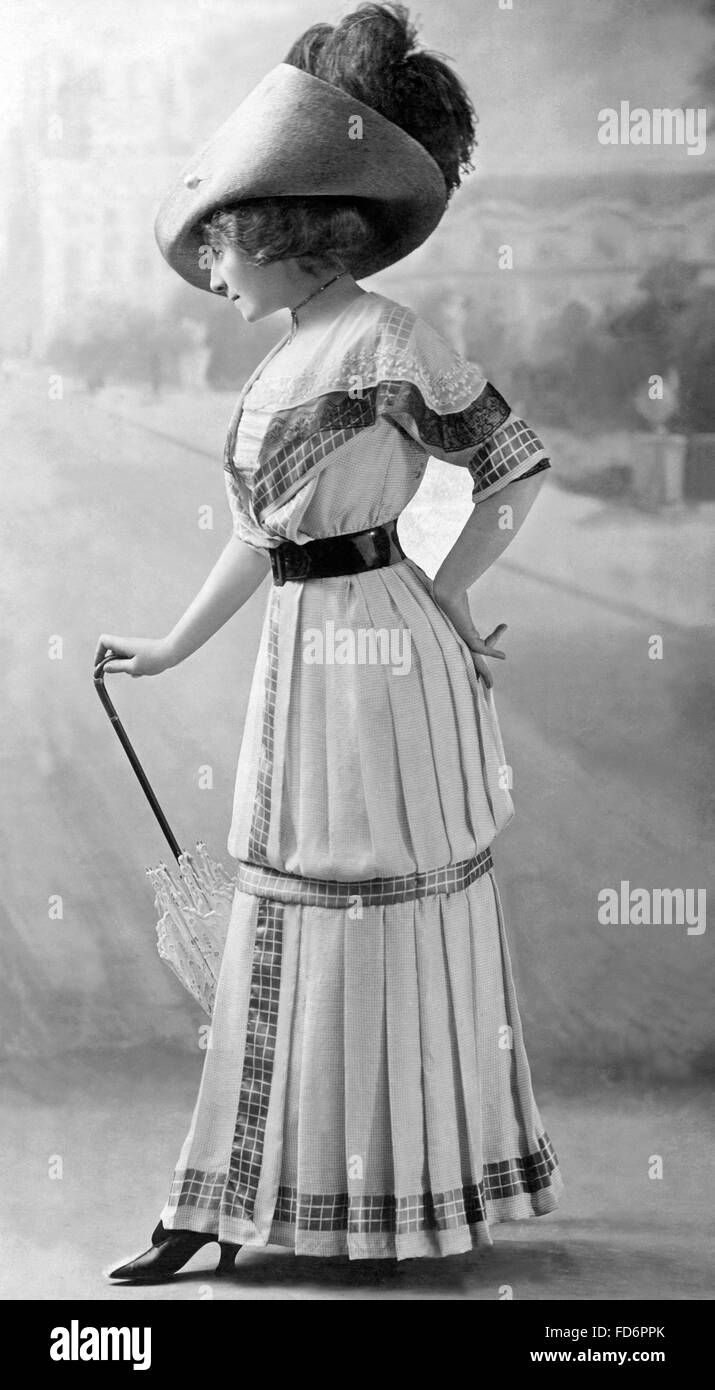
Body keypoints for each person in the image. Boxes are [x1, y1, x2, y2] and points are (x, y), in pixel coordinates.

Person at [98, 2, 563, 1279]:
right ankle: (253, 1192)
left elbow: (513, 467)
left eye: (223, 243)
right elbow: (261, 537)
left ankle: (402, 1190)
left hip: (383, 654)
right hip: (301, 653)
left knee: (365, 903)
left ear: (283, 232)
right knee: (288, 908)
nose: (212, 269)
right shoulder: (293, 351)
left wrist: (452, 593)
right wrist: (173, 649)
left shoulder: (392, 338)